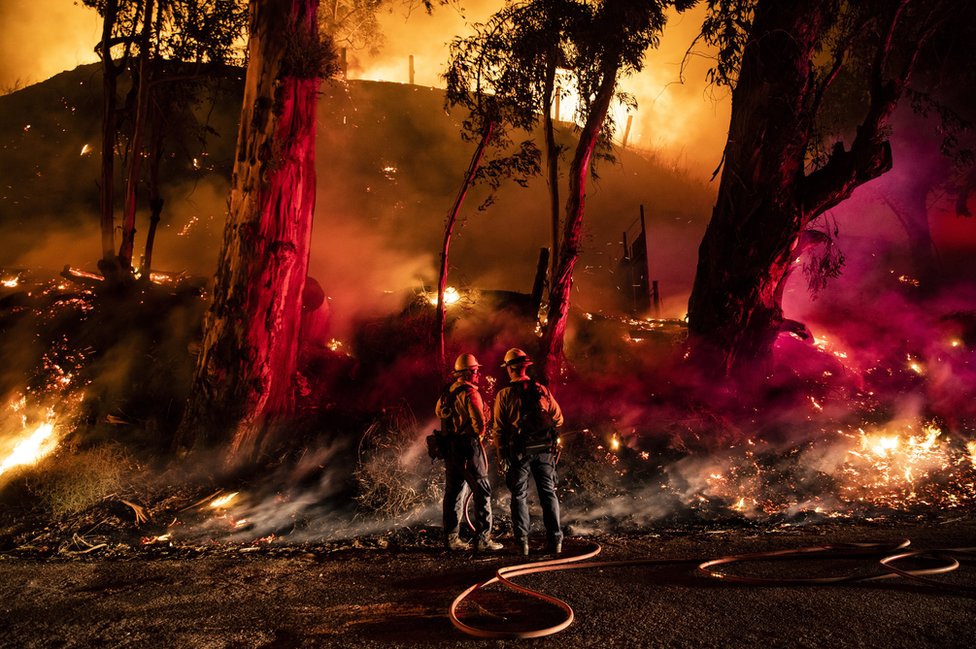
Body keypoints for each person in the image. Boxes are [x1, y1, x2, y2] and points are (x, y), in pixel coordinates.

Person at [493, 348, 565, 556]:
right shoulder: (541, 389)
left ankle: (522, 543)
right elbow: (559, 418)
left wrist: (500, 455)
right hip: (544, 450)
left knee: (519, 495)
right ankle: (556, 541)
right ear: (526, 367)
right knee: (548, 494)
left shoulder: (504, 395)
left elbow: (498, 428)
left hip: (518, 453)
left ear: (510, 369)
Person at [435, 353, 503, 552]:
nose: (478, 374)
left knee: (453, 493)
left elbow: (439, 412)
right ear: (466, 373)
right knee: (482, 491)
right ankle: (483, 539)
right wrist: (479, 436)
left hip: (451, 448)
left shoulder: (447, 393)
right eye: (475, 371)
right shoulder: (471, 393)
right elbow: (478, 423)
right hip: (469, 446)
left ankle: (451, 539)